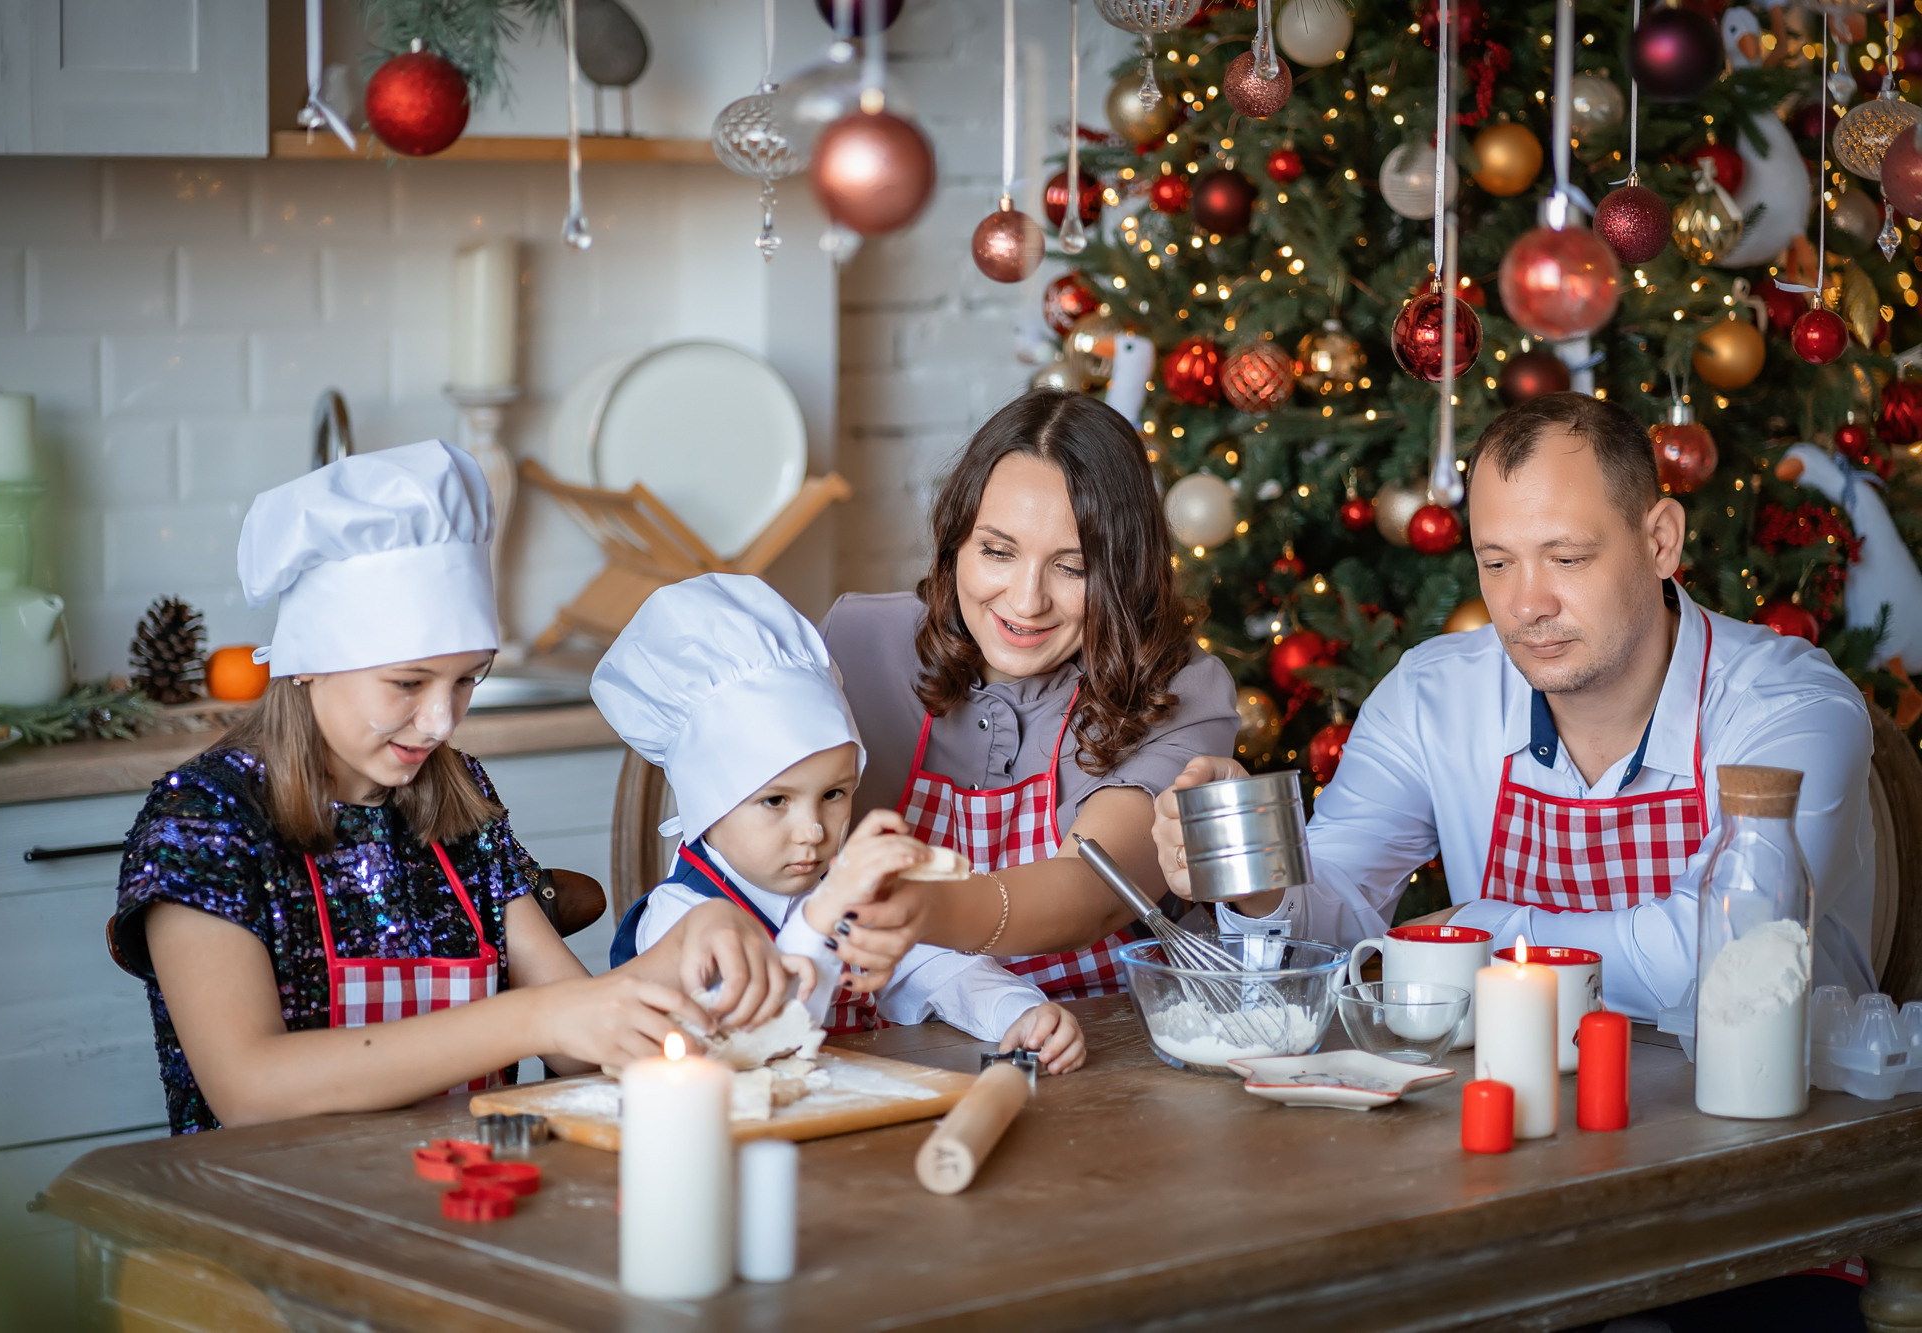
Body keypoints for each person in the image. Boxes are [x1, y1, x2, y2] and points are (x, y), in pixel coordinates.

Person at [111, 442, 802, 1134]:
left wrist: (687, 944)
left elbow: (573, 1041)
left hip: (476, 1192)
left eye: (469, 678)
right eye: (409, 683)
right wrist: (533, 1016)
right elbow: (251, 1087)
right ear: (311, 663)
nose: (442, 721)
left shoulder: (453, 798)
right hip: (278, 1211)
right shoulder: (204, 820)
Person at [1148, 393, 1876, 1021]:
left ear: (1660, 541)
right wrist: (1261, 874)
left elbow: (1724, 955)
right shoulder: (1432, 698)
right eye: (1496, 563)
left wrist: (1481, 933)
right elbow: (1334, 903)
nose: (1527, 604)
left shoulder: (1791, 710)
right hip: (1525, 1126)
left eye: (1567, 558)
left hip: (1778, 1138)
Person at [820, 389, 1239, 997]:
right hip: (880, 1049)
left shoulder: (1175, 687)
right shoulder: (853, 646)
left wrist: (926, 912)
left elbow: (1095, 892)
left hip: (1091, 1057)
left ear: (1126, 570)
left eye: (1073, 568)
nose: (1025, 600)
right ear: (954, 542)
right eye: (997, 551)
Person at [593, 574, 1086, 1071]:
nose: (813, 831)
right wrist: (820, 917)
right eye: (775, 801)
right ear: (707, 803)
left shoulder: (837, 890)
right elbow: (757, 1041)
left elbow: (933, 967)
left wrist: (1019, 1013)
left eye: (833, 794)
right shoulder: (678, 921)